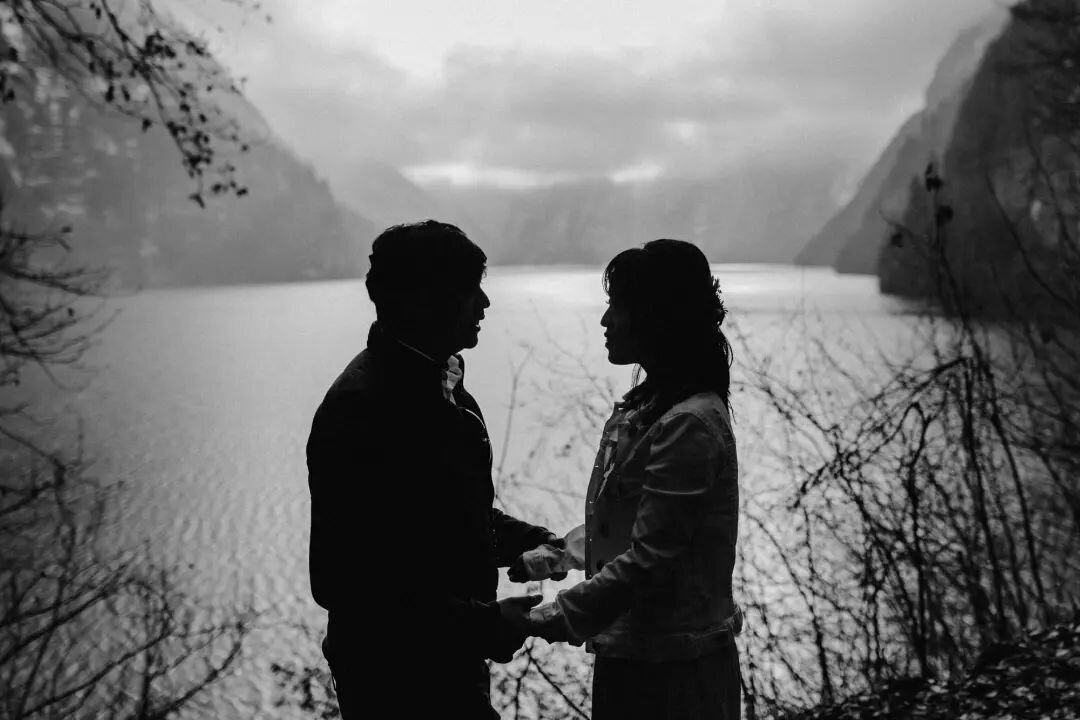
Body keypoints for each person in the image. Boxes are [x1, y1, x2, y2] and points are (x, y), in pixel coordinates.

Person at [306, 220, 562, 719]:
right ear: (422, 300)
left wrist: (535, 542)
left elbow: (442, 521)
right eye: (471, 290)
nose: (484, 304)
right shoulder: (361, 411)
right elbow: (344, 584)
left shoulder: (436, 380)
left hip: (448, 666)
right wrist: (486, 625)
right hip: (398, 683)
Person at [519, 239, 743, 719]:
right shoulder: (652, 408)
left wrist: (549, 617)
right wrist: (558, 556)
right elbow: (632, 528)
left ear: (655, 316)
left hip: (678, 674)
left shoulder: (689, 423)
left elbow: (650, 560)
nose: (605, 321)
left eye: (615, 306)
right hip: (638, 658)